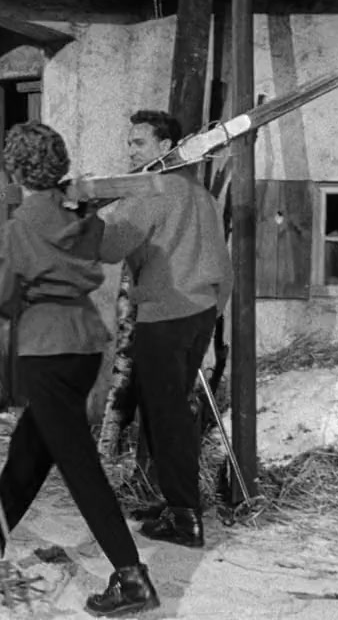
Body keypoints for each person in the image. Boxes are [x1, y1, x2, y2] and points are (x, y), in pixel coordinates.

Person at [0, 120, 159, 617]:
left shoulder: (21, 228)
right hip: (84, 347)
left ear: (17, 171)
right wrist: (77, 206)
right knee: (29, 450)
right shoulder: (81, 219)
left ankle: (131, 578)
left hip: (46, 351)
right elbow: (97, 239)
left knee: (79, 466)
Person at [99, 109, 233, 548]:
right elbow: (223, 266)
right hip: (199, 313)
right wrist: (211, 311)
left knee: (167, 415)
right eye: (129, 142)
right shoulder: (199, 194)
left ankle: (185, 516)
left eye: (138, 142)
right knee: (165, 409)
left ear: (165, 147)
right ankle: (174, 502)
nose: (130, 151)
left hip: (166, 315)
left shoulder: (150, 189)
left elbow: (110, 246)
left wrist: (84, 219)